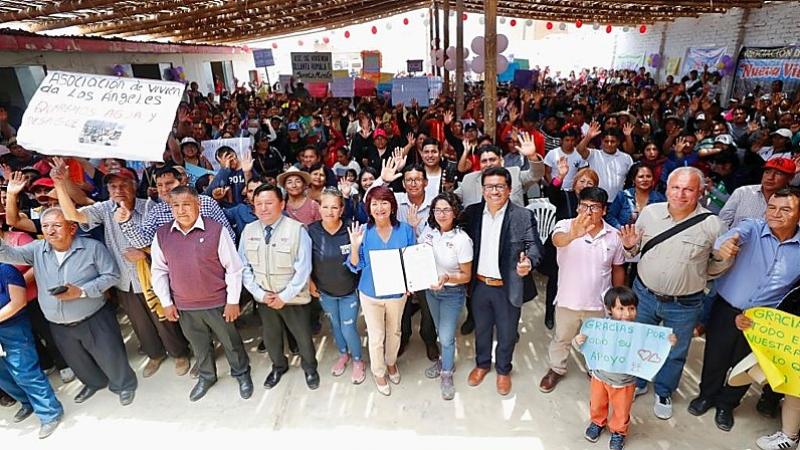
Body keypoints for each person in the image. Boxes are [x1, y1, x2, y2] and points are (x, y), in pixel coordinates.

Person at [53, 163, 191, 378]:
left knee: (163, 319)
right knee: (139, 322)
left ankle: (179, 353)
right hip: (123, 277)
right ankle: (155, 354)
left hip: (152, 275)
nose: (118, 190)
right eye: (113, 186)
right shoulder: (105, 209)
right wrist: (60, 184)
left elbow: (166, 243)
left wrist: (144, 255)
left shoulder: (150, 207)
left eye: (123, 185)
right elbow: (72, 215)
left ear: (134, 186)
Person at [620, 167, 731, 420]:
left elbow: (716, 266)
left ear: (700, 192)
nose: (681, 194)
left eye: (689, 189)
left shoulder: (713, 224)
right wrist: (628, 247)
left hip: (685, 303)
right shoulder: (650, 213)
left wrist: (716, 264)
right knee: (639, 340)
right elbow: (635, 250)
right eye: (676, 188)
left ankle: (664, 390)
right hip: (644, 294)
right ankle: (638, 381)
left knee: (675, 350)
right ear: (667, 188)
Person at [0, 207, 137, 406]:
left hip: (93, 316)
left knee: (110, 355)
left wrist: (81, 291)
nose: (50, 231)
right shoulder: (38, 249)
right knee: (76, 359)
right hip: (57, 321)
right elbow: (8, 255)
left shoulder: (91, 248)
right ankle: (93, 382)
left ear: (72, 228)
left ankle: (124, 385)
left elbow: (112, 276)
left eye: (56, 225)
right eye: (46, 226)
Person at [689, 188, 800, 431]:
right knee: (715, 357)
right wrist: (725, 244)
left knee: (746, 366)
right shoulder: (753, 227)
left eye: (786, 209)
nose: (776, 214)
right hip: (727, 309)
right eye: (772, 207)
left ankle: (727, 405)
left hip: (764, 320)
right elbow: (732, 236)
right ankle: (706, 396)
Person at [150, 187, 252, 402]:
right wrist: (166, 302)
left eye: (186, 204)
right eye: (175, 205)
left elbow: (233, 269)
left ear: (198, 204)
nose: (181, 210)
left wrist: (233, 301)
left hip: (217, 303)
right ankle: (207, 376)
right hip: (184, 305)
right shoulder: (162, 235)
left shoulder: (216, 230)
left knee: (230, 342)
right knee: (199, 344)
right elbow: (159, 271)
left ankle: (241, 373)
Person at [462, 167, 542, 396]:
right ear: (483, 189)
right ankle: (482, 364)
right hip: (479, 285)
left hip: (508, 286)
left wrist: (530, 263)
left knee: (507, 333)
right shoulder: (472, 213)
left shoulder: (522, 215)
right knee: (482, 329)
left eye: (499, 186)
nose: (494, 191)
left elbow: (534, 246)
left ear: (509, 189)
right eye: (489, 186)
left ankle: (503, 370)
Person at [539, 187, 625, 393]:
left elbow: (618, 268)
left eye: (594, 207)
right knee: (562, 337)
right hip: (568, 299)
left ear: (604, 210)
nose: (588, 211)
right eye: (584, 206)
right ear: (577, 206)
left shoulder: (614, 236)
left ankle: (593, 369)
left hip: (598, 302)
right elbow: (557, 240)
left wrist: (619, 299)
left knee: (595, 341)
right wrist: (572, 235)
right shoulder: (565, 225)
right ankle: (556, 369)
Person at [239, 184, 320, 391]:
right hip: (264, 298)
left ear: (282, 204)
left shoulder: (297, 229)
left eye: (269, 203)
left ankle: (310, 368)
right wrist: (259, 293)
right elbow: (244, 266)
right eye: (258, 204)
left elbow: (303, 268)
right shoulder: (249, 231)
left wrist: (284, 296)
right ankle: (278, 366)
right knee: (271, 336)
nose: (263, 208)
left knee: (303, 336)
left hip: (292, 298)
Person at [576, 286, 676, 450]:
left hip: (625, 383)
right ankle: (597, 423)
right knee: (596, 404)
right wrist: (578, 341)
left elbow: (654, 350)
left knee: (621, 411)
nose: (627, 314)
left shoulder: (640, 332)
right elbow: (584, 346)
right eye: (620, 309)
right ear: (609, 310)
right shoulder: (600, 328)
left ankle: (618, 432)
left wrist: (668, 344)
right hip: (600, 377)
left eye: (631, 308)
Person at [346, 185, 415, 396]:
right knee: (376, 337)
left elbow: (411, 259)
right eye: (374, 203)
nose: (379, 207)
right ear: (369, 208)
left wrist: (409, 283)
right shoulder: (363, 232)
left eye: (384, 202)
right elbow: (355, 265)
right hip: (370, 293)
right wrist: (355, 247)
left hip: (397, 293)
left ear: (392, 206)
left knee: (394, 332)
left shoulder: (405, 229)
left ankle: (391, 363)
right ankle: (379, 372)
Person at [417, 192, 472, 400]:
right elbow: (418, 252)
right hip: (431, 291)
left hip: (452, 293)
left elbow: (466, 276)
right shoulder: (429, 231)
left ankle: (447, 373)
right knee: (440, 331)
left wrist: (447, 277)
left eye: (446, 209)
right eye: (437, 210)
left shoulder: (462, 240)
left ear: (455, 211)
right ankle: (443, 360)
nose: (441, 214)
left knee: (447, 337)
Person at [0, 262, 64, 439]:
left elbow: (18, 302)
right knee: (2, 376)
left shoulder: (5, 270)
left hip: (12, 328)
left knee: (25, 372)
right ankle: (27, 402)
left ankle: (50, 412)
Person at [307, 188, 365, 384]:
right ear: (319, 207)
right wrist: (310, 282)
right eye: (325, 207)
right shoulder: (311, 230)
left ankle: (358, 360)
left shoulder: (351, 229)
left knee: (348, 328)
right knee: (335, 326)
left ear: (342, 209)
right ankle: (343, 354)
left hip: (349, 291)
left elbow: (356, 265)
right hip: (325, 291)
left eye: (334, 207)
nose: (329, 211)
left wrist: (355, 247)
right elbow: (305, 260)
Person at [541, 165, 600, 329]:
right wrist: (560, 175)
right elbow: (551, 192)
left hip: (585, 250)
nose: (585, 185)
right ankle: (549, 314)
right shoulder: (565, 196)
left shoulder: (596, 204)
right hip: (561, 246)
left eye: (590, 182)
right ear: (574, 184)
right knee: (555, 281)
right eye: (582, 181)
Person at [454, 132, 545, 207]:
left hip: (511, 225)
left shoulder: (514, 173)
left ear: (501, 160)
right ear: (480, 164)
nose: (489, 164)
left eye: (492, 160)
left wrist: (532, 156)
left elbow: (536, 175)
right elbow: (452, 198)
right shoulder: (469, 180)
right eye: (484, 161)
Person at [719, 157, 795, 228]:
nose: (770, 177)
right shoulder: (742, 192)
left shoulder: (794, 202)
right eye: (767, 172)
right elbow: (722, 223)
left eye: (778, 174)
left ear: (790, 178)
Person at [577, 123, 634, 202]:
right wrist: (588, 136)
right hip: (596, 200)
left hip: (618, 201)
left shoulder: (626, 158)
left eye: (612, 141)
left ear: (618, 142)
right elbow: (580, 149)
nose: (609, 144)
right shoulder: (594, 154)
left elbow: (631, 179)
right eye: (606, 141)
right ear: (601, 142)